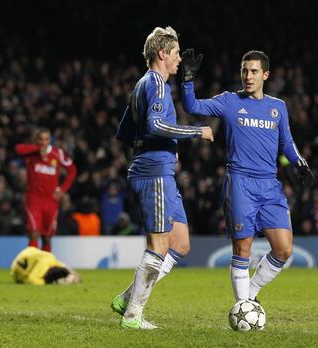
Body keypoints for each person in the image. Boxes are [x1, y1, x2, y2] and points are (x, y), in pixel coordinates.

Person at [181, 49, 314, 303]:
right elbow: (192, 105)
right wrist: (187, 79)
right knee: (243, 248)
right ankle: (243, 306)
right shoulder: (230, 101)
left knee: (284, 249)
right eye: (244, 71)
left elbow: (287, 142)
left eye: (253, 71)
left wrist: (300, 163)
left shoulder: (278, 108)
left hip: (270, 185)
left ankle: (249, 297)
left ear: (266, 74)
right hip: (240, 182)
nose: (248, 76)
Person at [112, 26, 214, 329]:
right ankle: (132, 316)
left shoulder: (142, 85)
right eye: (177, 53)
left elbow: (125, 132)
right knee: (158, 245)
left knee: (180, 243)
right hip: (153, 173)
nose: (180, 59)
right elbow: (156, 124)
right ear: (162, 54)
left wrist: (164, 148)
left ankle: (126, 299)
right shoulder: (156, 83)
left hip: (160, 168)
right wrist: (195, 131)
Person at [15, 128, 77, 251]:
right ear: (36, 140)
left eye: (46, 139)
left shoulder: (57, 153)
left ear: (50, 140)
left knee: (47, 236)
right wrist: (38, 149)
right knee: (33, 233)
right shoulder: (31, 153)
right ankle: (33, 266)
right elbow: (18, 149)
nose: (43, 142)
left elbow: (73, 170)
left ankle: (46, 267)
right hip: (34, 200)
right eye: (40, 139)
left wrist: (62, 190)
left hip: (51, 201)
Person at [11, 246, 81, 285]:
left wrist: (73, 274)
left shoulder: (51, 259)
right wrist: (47, 282)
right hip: (17, 270)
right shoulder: (43, 265)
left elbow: (62, 266)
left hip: (26, 254)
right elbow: (32, 280)